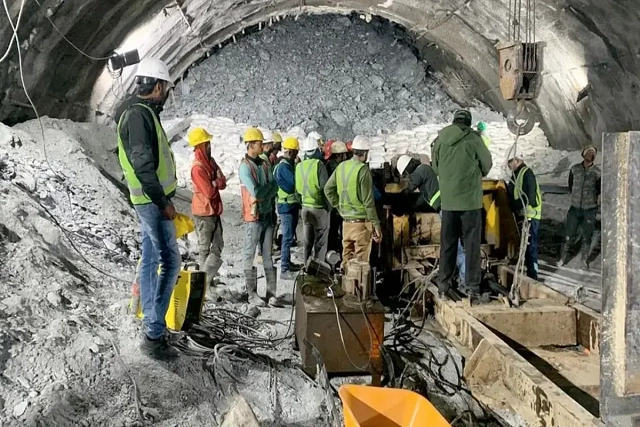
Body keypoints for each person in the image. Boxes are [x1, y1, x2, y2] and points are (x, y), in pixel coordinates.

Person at [115, 57, 180, 359]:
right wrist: (164, 202)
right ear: (156, 87)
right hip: (152, 204)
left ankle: (144, 311)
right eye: (165, 87)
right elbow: (143, 165)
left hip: (149, 202)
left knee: (150, 258)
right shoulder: (139, 117)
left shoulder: (141, 113)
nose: (166, 92)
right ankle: (154, 334)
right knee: (170, 262)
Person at [432, 110, 492, 298]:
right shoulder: (474, 139)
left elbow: (435, 167)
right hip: (470, 203)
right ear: (468, 123)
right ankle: (472, 286)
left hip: (449, 202)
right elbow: (487, 164)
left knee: (448, 244)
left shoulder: (440, 140)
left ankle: (444, 283)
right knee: (472, 245)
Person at [396, 154, 466, 284]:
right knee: (452, 243)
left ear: (408, 168)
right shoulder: (426, 178)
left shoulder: (422, 170)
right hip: (444, 209)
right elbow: (423, 198)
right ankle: (460, 276)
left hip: (446, 209)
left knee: (454, 245)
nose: (408, 176)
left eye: (406, 173)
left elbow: (411, 187)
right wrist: (411, 206)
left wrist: (399, 198)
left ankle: (465, 279)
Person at [325, 135, 382, 268]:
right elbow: (368, 202)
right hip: (361, 225)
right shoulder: (363, 170)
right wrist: (376, 225)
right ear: (366, 153)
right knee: (361, 266)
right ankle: (359, 289)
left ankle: (346, 288)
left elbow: (328, 189)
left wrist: (339, 207)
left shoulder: (341, 167)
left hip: (346, 224)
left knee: (347, 263)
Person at [239, 127, 278, 307]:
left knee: (267, 255)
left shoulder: (264, 163)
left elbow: (274, 186)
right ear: (251, 145)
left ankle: (271, 293)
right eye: (260, 143)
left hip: (267, 214)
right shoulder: (245, 168)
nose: (263, 145)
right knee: (249, 254)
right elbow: (254, 191)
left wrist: (265, 193)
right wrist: (265, 191)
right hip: (253, 217)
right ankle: (252, 293)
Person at [188, 127, 227, 288]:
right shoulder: (197, 168)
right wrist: (215, 183)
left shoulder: (210, 161)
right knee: (204, 249)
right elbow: (209, 192)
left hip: (214, 211)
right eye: (207, 143)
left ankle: (207, 280)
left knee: (218, 245)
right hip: (203, 212)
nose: (210, 145)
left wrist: (216, 182)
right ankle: (202, 285)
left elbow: (222, 181)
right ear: (200, 146)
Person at [558, 145, 601, 269]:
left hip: (590, 209)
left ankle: (584, 260)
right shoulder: (574, 169)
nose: (591, 155)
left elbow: (599, 190)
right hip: (575, 208)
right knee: (568, 235)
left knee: (587, 236)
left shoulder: (597, 173)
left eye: (593, 153)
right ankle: (562, 259)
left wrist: (596, 201)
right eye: (588, 152)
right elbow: (570, 186)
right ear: (583, 154)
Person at [505, 148, 542, 280]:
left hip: (531, 216)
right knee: (523, 247)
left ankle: (533, 276)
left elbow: (529, 197)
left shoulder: (527, 173)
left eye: (510, 162)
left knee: (530, 247)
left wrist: (514, 205)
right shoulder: (516, 174)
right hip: (523, 215)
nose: (509, 166)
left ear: (516, 160)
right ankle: (526, 273)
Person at [296, 136, 330, 264]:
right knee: (320, 241)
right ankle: (318, 269)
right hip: (319, 208)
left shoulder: (299, 166)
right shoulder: (319, 165)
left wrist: (303, 203)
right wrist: (329, 207)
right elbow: (324, 188)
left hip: (305, 207)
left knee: (307, 241)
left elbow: (296, 190)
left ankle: (306, 266)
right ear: (316, 150)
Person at [273, 137, 302, 280]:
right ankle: (284, 269)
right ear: (291, 152)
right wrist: (298, 168)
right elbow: (294, 184)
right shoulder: (284, 167)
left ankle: (287, 262)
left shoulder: (285, 165)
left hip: (290, 205)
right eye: (295, 153)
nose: (296, 156)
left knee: (288, 237)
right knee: (287, 237)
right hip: (286, 206)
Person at [326, 141, 349, 254]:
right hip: (338, 204)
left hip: (332, 204)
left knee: (333, 231)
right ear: (339, 155)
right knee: (339, 230)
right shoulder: (339, 168)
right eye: (344, 155)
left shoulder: (328, 165)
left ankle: (333, 253)